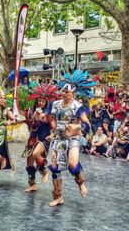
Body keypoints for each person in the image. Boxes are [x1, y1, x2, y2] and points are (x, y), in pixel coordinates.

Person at [48, 69, 95, 207]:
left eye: (67, 92)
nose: (64, 94)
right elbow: (51, 119)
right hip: (59, 138)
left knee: (72, 165)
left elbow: (86, 124)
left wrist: (76, 128)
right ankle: (58, 197)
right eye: (63, 91)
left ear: (73, 93)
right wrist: (53, 127)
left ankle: (81, 183)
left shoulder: (78, 106)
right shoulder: (55, 104)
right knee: (55, 166)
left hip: (73, 138)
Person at [23, 84, 59, 192]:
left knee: (35, 154)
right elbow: (30, 126)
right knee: (29, 161)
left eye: (43, 101)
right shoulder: (31, 111)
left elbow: (54, 127)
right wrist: (30, 120)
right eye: (39, 100)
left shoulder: (49, 115)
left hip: (44, 138)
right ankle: (32, 184)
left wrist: (52, 135)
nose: (41, 103)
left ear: (46, 102)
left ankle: (44, 170)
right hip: (32, 138)